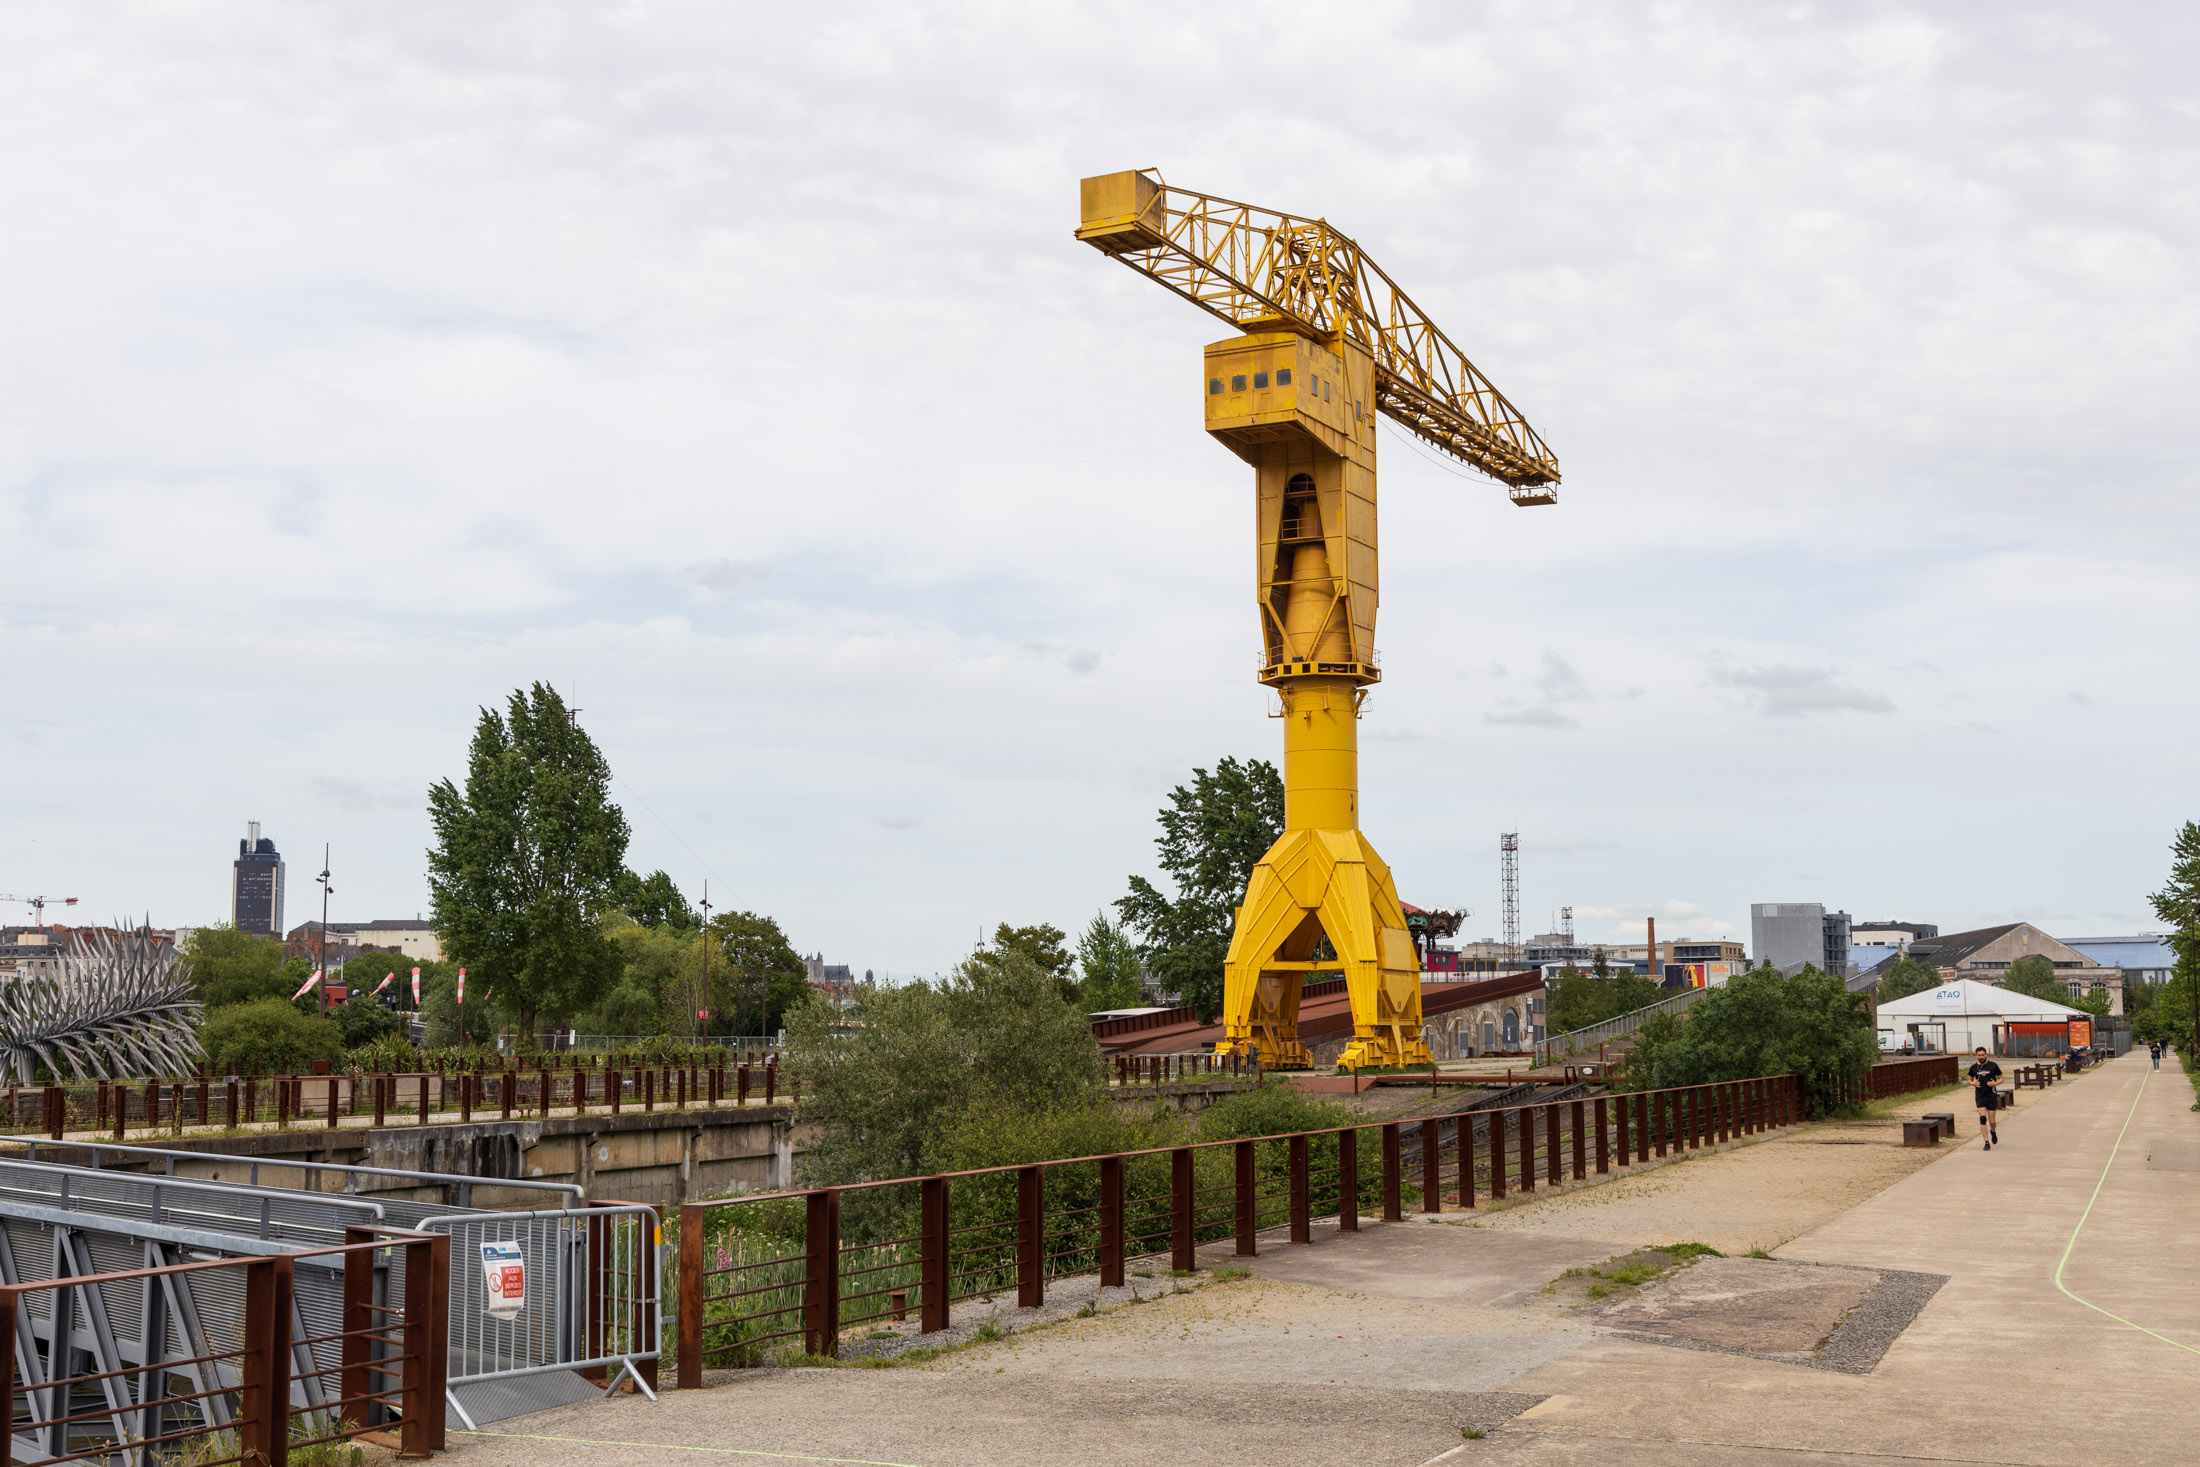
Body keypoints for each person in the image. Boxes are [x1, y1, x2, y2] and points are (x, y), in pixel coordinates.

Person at [1967, 1047, 2003, 1149]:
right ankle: (1986, 1142)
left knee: (1992, 1121)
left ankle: (1993, 1131)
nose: (1981, 1057)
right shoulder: (1973, 1067)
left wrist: (1995, 1083)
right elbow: (1969, 1079)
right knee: (1982, 1118)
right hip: (1980, 1096)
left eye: (1983, 1055)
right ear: (1976, 1056)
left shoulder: (1993, 1065)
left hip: (1991, 1095)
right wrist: (1973, 1083)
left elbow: (2001, 1078)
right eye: (1979, 1055)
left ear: (1986, 1055)